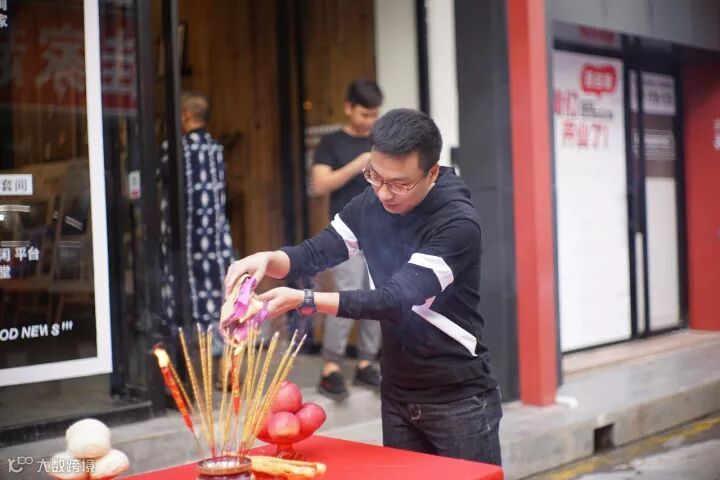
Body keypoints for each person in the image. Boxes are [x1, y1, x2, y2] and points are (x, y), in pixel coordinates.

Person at [224, 109, 502, 465]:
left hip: (458, 399)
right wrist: (267, 260)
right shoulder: (371, 203)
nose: (384, 193)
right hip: (397, 392)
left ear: (432, 173)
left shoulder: (457, 223)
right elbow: (317, 252)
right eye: (374, 175)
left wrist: (304, 299)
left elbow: (396, 299)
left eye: (399, 184)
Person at [310, 79, 383, 399]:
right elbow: (320, 185)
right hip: (346, 232)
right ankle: (331, 367)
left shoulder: (380, 140)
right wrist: (357, 164)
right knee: (347, 295)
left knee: (379, 296)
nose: (370, 121)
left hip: (382, 231)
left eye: (374, 115)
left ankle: (367, 363)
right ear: (348, 108)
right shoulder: (331, 143)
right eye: (365, 114)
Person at [159, 91, 234, 361]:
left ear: (186, 115)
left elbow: (160, 182)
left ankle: (185, 347)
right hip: (215, 236)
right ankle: (218, 345)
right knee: (216, 288)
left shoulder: (175, 149)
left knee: (183, 291)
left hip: (184, 238)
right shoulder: (216, 149)